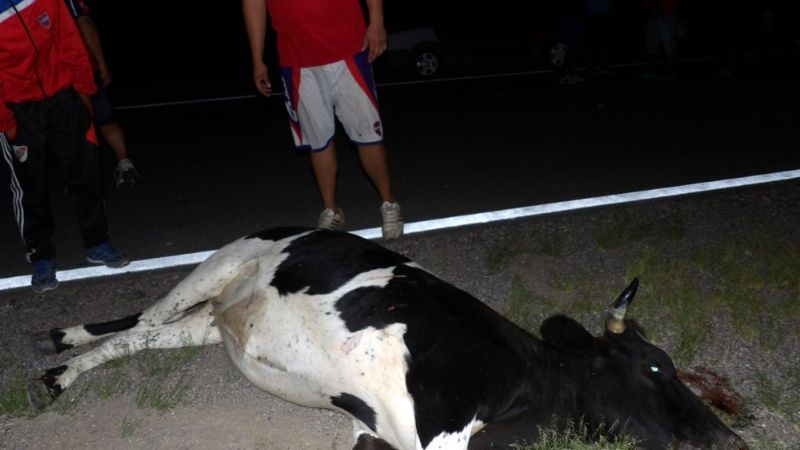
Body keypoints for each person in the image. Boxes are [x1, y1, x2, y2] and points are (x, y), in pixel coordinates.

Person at [242, 0, 404, 239]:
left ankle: (388, 203)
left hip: (349, 48)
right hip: (296, 60)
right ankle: (331, 211)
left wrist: (377, 20)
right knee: (318, 141)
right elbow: (254, 5)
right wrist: (257, 60)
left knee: (368, 133)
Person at [1, 0, 129, 293]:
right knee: (29, 188)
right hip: (18, 110)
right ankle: (41, 258)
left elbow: (68, 38)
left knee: (86, 172)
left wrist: (84, 89)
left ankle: (97, 242)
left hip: (64, 98)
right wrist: (4, 120)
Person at [64, 0, 139, 188]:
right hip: (72, 71)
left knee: (97, 119)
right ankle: (86, 176)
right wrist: (102, 64)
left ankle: (122, 166)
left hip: (75, 70)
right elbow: (85, 24)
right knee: (86, 122)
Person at [643, 0, 678, 81]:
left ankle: (670, 74)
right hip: (656, 15)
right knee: (653, 45)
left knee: (669, 46)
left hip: (667, 15)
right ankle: (652, 71)